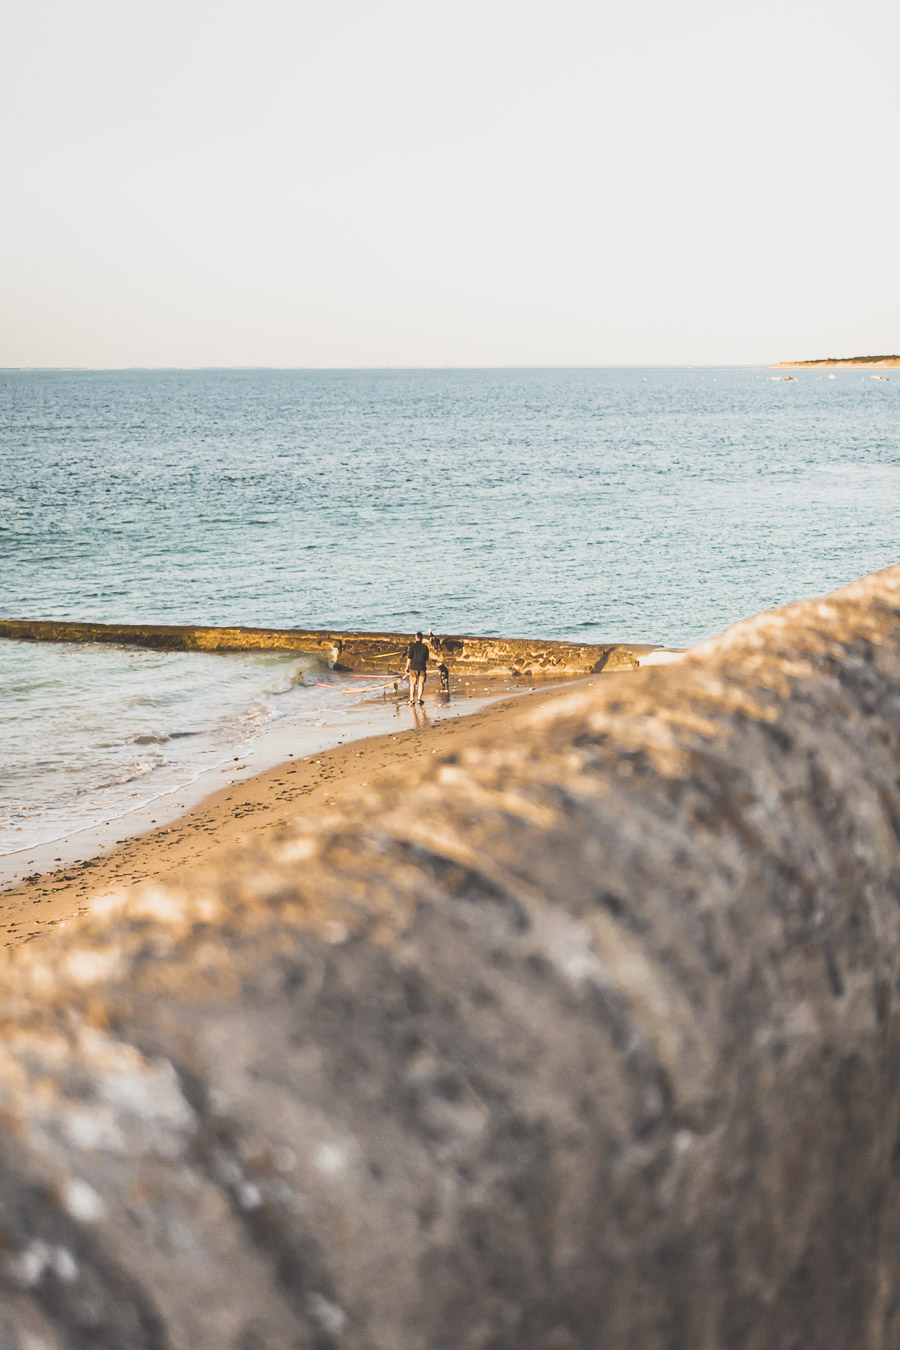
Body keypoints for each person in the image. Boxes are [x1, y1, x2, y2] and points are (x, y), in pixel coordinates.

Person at [404, 631, 429, 705]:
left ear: (416, 638)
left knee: (412, 684)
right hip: (422, 667)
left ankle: (411, 699)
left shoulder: (412, 647)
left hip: (413, 667)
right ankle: (419, 699)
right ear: (422, 638)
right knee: (421, 683)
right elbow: (426, 658)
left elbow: (409, 658)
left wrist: (407, 667)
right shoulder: (425, 647)